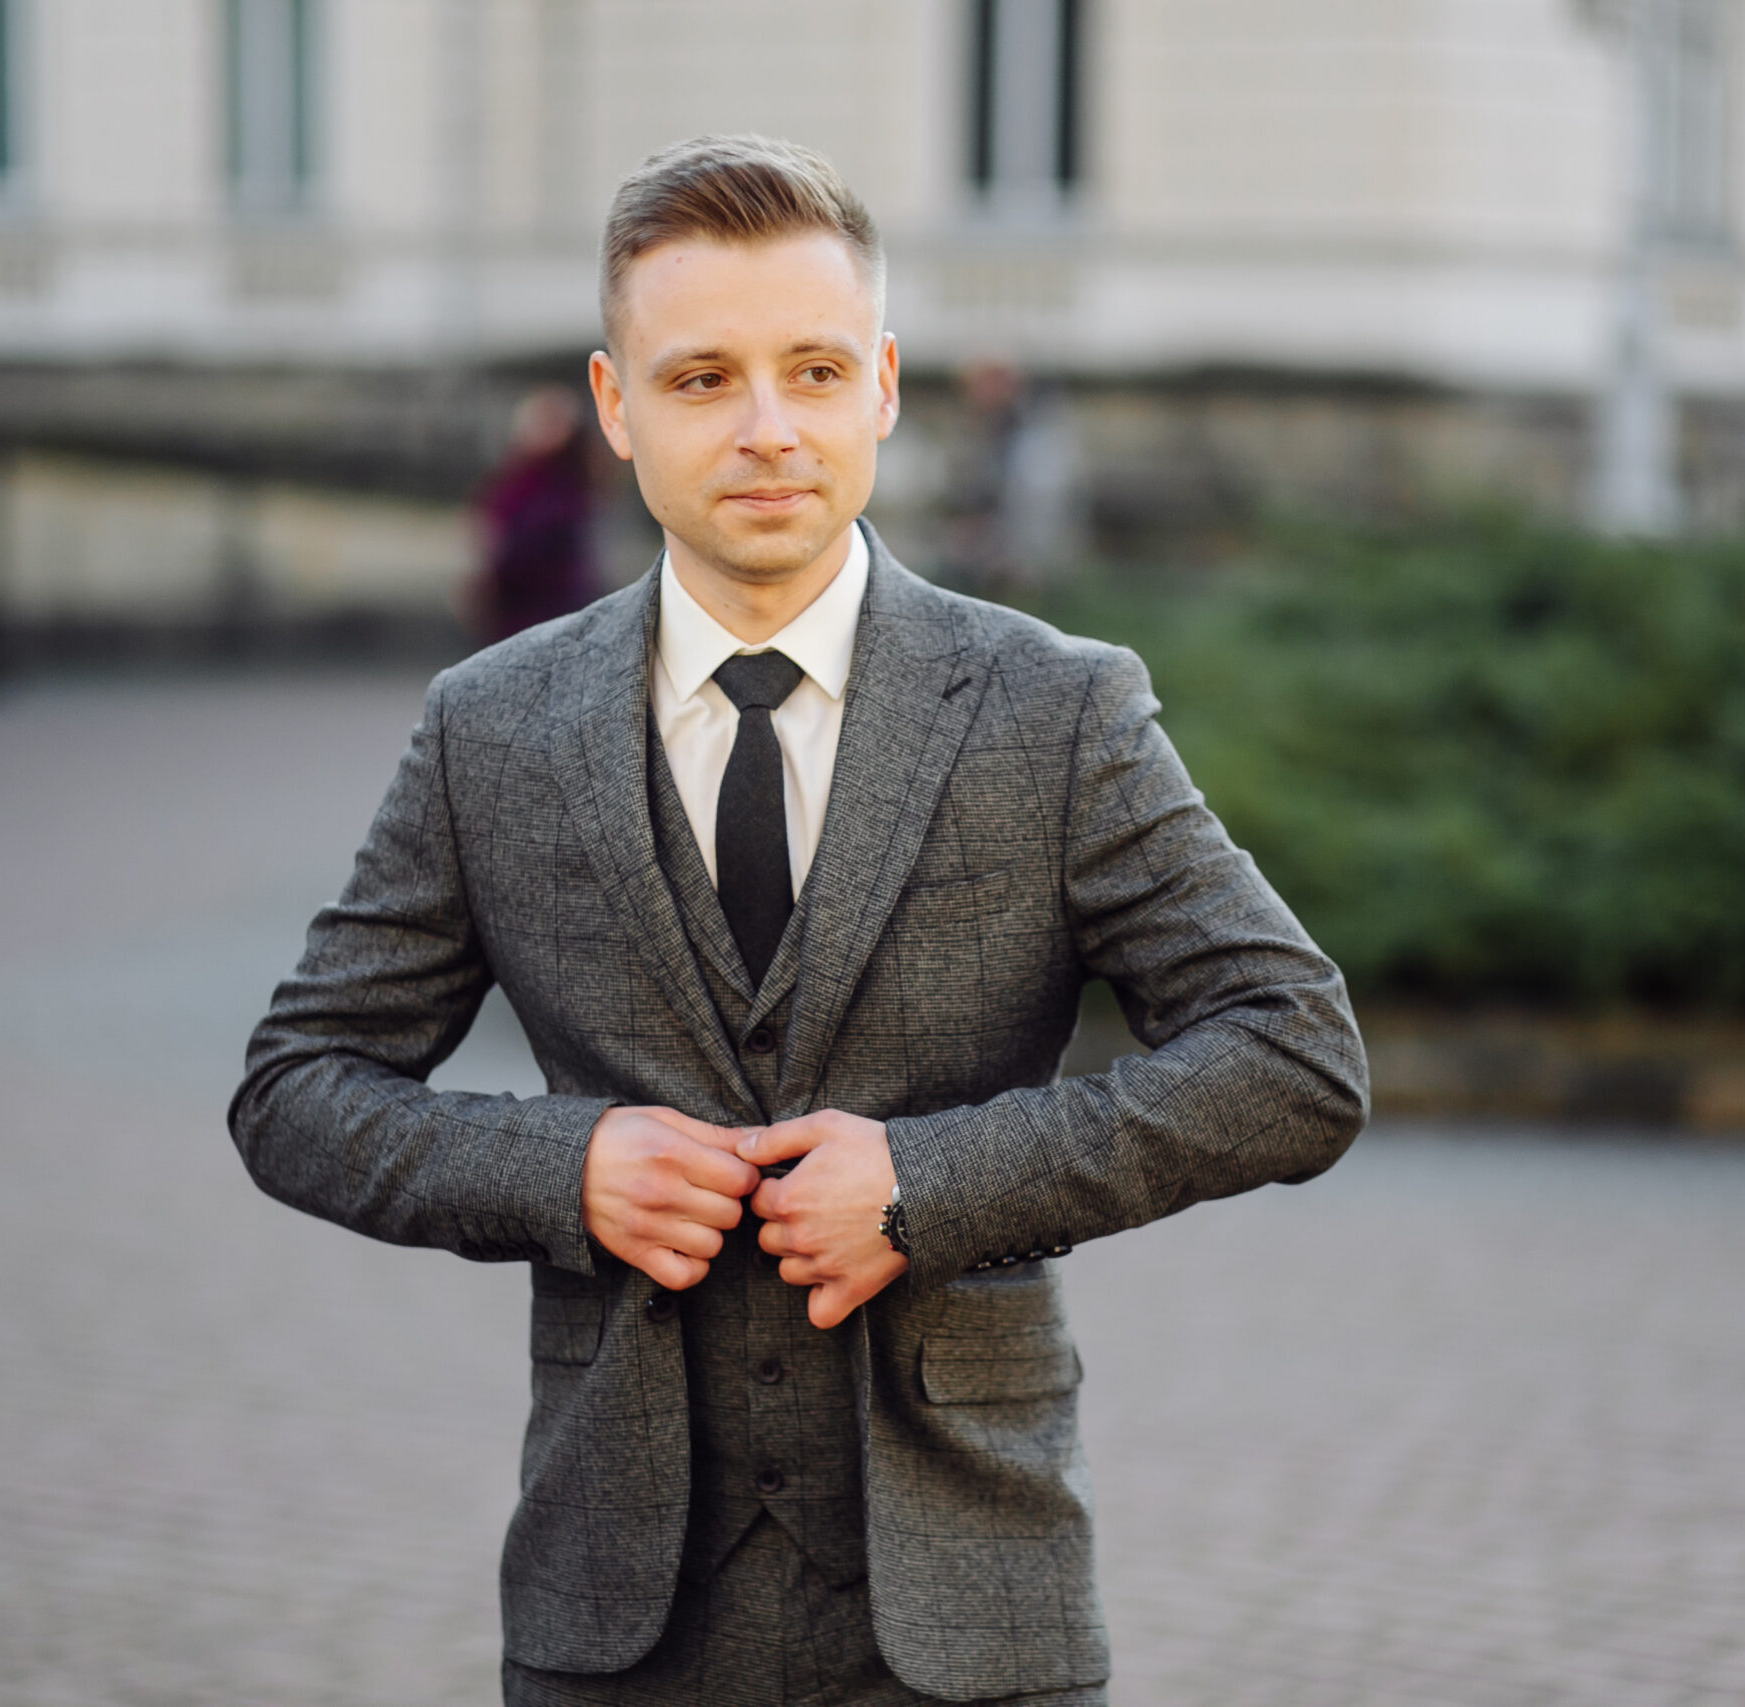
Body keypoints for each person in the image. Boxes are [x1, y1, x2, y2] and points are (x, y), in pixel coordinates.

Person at [229, 134, 1367, 1707]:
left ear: (883, 387)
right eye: (702, 378)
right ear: (616, 405)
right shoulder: (490, 726)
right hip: (614, 1613)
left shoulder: (1052, 710)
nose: (768, 429)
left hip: (974, 1614)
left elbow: (1297, 1055)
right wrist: (564, 1166)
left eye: (815, 370)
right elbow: (296, 1088)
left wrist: (930, 1181)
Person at [471, 385, 600, 643]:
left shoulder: (572, 484)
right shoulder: (512, 481)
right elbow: (486, 533)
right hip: (516, 603)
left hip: (557, 605)